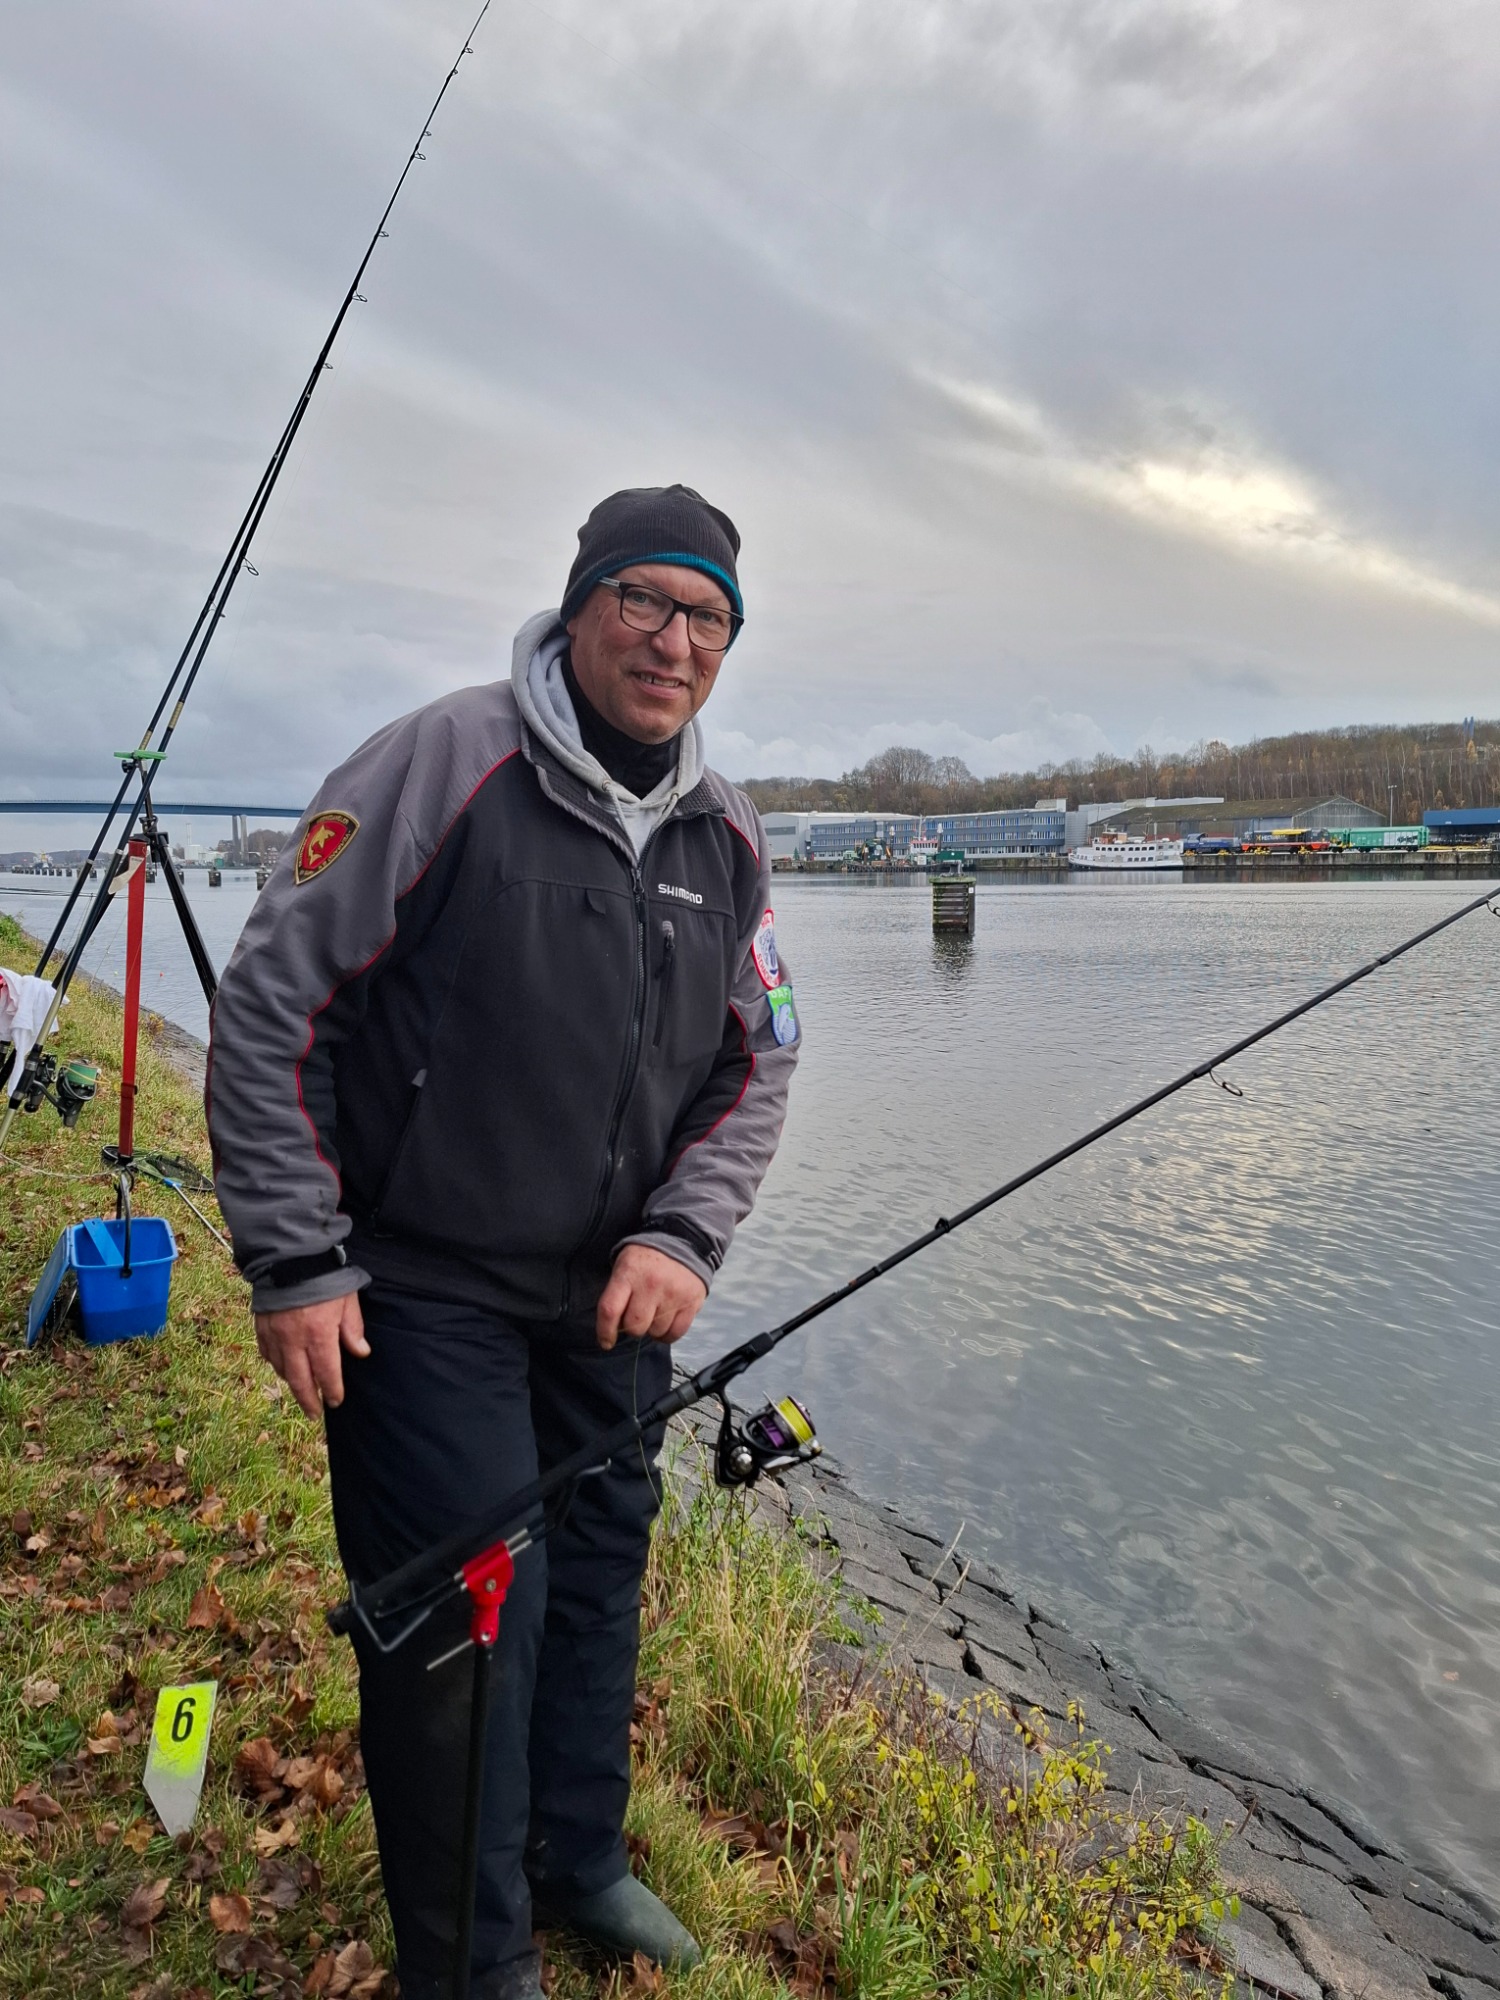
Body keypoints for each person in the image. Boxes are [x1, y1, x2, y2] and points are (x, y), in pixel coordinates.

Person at [206, 485, 801, 2000]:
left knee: (596, 1572)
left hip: (613, 1299)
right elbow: (275, 1003)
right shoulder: (441, 761)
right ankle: (471, 1965)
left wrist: (685, 1235)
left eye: (709, 618)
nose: (675, 643)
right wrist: (293, 1257)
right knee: (471, 1614)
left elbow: (760, 1060)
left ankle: (573, 1858)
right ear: (583, 604)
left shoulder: (729, 835)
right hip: (421, 1284)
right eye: (646, 602)